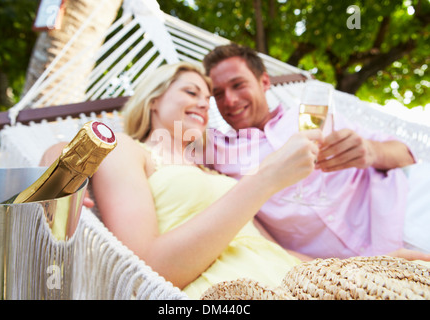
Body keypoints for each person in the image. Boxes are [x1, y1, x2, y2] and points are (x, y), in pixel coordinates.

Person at [71, 61, 323, 299]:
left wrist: (343, 267)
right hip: (230, 289)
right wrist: (264, 179)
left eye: (207, 99)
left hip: (294, 281)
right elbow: (142, 272)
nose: (204, 104)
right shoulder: (125, 148)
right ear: (154, 100)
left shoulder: (215, 171)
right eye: (191, 93)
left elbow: (272, 247)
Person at [202, 43, 430, 260]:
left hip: (407, 206)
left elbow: (406, 153)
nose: (229, 100)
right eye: (218, 94)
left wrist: (371, 151)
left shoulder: (309, 116)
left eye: (238, 85)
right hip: (356, 272)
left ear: (264, 81)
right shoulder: (220, 152)